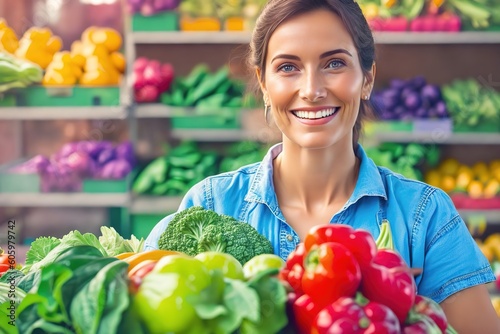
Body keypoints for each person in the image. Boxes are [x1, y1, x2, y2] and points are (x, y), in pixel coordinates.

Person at [145, 0, 500, 331]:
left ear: (368, 79)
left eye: (334, 63)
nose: (312, 89)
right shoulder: (210, 205)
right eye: (288, 67)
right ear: (264, 85)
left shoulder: (425, 216)